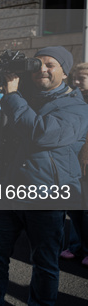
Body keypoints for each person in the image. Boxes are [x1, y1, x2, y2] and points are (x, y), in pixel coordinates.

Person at [0, 46, 88, 305]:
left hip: (46, 195)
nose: (41, 69)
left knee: (44, 263)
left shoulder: (76, 107)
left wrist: (11, 97)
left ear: (65, 72)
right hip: (6, 190)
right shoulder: (20, 95)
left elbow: (41, 133)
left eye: (50, 65)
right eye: (37, 64)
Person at [59, 63, 88, 266]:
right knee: (74, 207)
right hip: (72, 161)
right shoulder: (74, 98)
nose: (76, 82)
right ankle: (77, 246)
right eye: (74, 78)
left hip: (85, 161)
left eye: (81, 78)